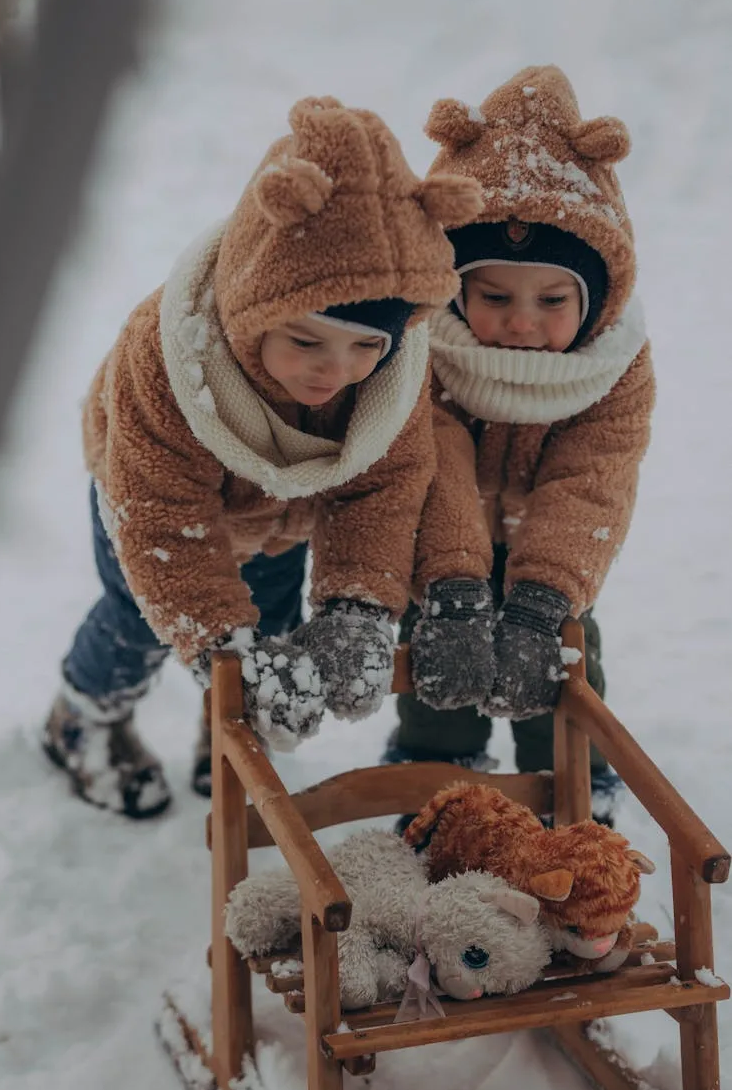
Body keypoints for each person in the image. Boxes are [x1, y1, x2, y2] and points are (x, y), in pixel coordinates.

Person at [42, 94, 482, 817]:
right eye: (305, 341)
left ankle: (223, 727)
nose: (332, 371)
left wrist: (356, 607)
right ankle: (84, 715)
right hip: (150, 495)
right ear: (255, 305)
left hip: (284, 509)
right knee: (138, 621)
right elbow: (161, 520)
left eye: (366, 345)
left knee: (271, 616)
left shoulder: (394, 377)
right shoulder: (168, 353)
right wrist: (223, 654)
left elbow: (384, 487)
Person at [389, 65, 655, 828]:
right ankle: (435, 781)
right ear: (453, 289)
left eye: (551, 300)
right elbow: (430, 463)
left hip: (554, 557)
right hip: (444, 553)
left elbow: (592, 481)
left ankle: (572, 795)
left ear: (594, 296)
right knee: (438, 667)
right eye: (494, 296)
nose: (521, 322)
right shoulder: (428, 351)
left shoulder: (612, 364)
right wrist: (452, 588)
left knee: (566, 665)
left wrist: (540, 601)